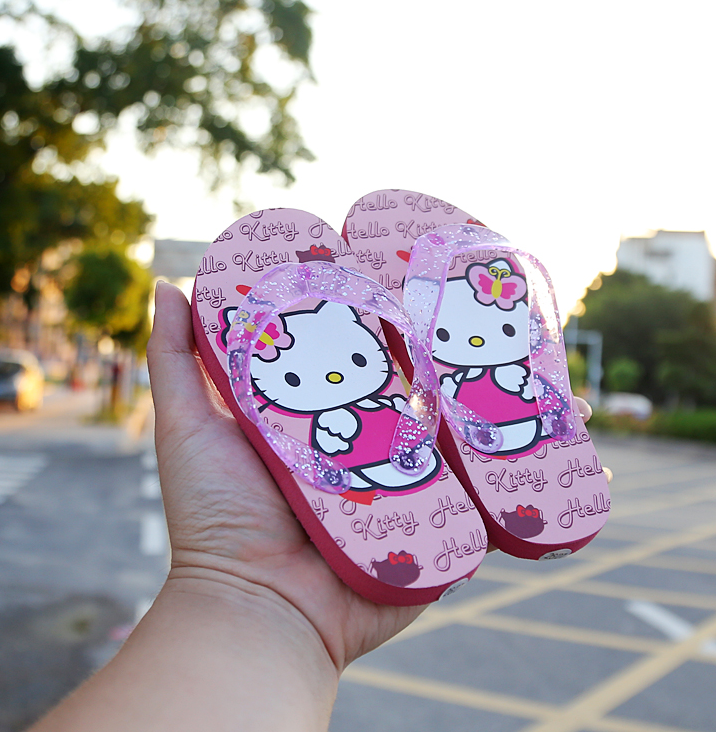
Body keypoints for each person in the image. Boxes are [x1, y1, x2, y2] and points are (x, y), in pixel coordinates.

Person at [30, 281, 598, 731]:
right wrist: (253, 588)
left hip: (392, 452)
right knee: (387, 446)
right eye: (296, 377)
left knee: (412, 439)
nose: (330, 376)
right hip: (370, 456)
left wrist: (242, 591)